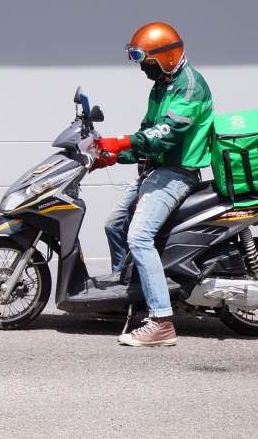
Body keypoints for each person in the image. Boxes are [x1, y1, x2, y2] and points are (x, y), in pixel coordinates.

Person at [95, 22, 213, 347]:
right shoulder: (162, 86)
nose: (143, 69)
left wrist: (120, 141)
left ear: (167, 57)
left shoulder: (190, 87)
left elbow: (166, 134)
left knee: (139, 236)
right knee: (114, 224)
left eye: (146, 62)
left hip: (177, 173)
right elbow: (147, 134)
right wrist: (112, 156)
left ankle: (161, 321)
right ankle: (125, 298)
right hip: (157, 170)